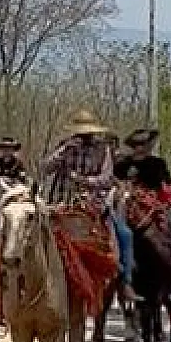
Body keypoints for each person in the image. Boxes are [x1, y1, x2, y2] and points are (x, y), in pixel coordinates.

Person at [42, 109, 138, 302]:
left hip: (94, 202)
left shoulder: (103, 150)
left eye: (86, 133)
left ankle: (125, 281)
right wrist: (63, 151)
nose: (83, 136)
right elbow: (45, 168)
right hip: (62, 202)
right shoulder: (65, 147)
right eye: (80, 132)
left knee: (124, 234)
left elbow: (106, 177)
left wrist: (84, 181)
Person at [114, 128, 171, 203]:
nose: (141, 147)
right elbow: (115, 179)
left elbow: (168, 183)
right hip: (129, 202)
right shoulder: (123, 164)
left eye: (145, 143)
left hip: (155, 202)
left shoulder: (158, 163)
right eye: (138, 144)